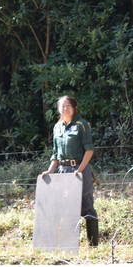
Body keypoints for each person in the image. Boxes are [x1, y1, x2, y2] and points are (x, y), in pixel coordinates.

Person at [40, 95, 99, 246]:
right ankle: (70, 245)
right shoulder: (57, 127)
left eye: (68, 106)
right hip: (62, 171)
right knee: (66, 207)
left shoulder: (82, 124)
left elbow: (89, 150)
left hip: (80, 169)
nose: (65, 109)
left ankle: (93, 246)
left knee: (86, 206)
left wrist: (79, 170)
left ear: (74, 108)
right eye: (62, 106)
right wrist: (50, 171)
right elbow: (55, 154)